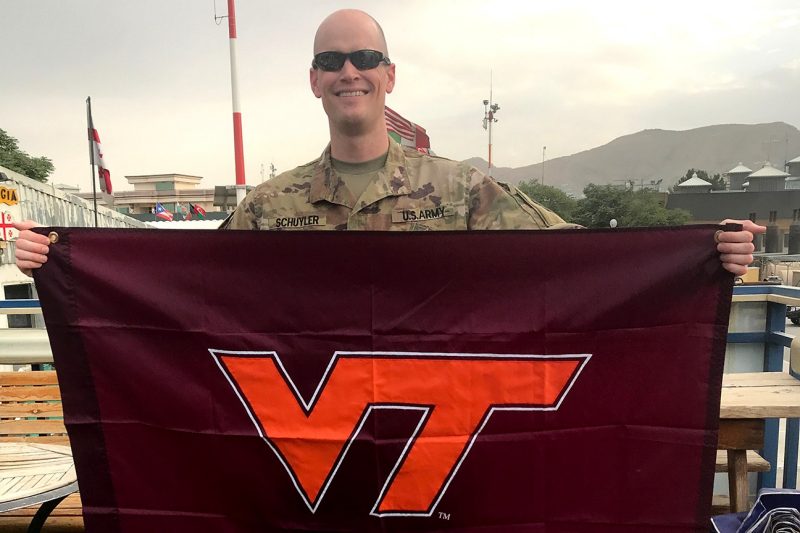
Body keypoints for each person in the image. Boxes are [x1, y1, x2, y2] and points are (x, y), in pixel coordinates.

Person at [15, 9, 762, 275]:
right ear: (313, 80)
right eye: (331, 61)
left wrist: (704, 249)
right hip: (316, 435)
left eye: (365, 59)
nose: (350, 71)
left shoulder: (463, 191)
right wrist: (62, 257)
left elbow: (579, 258)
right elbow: (181, 281)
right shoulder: (271, 208)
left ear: (389, 76)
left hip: (435, 430)